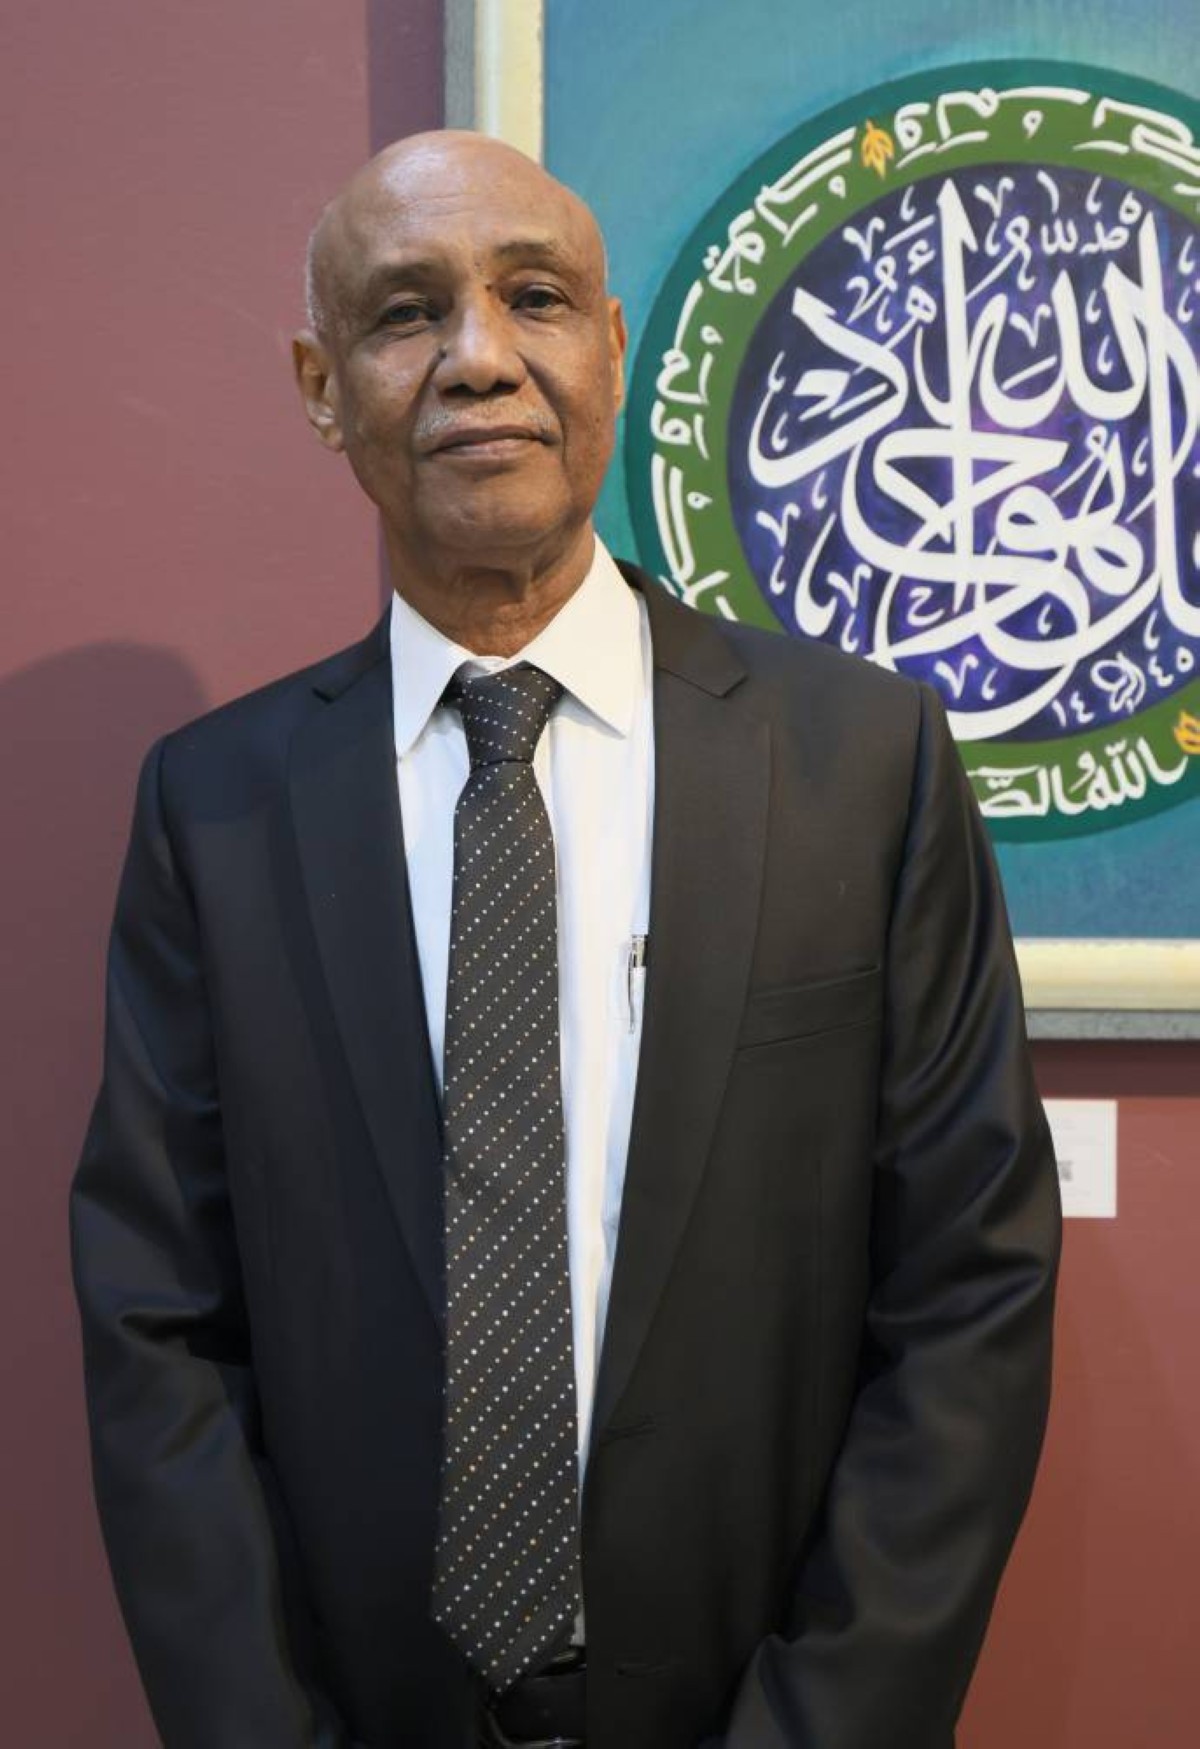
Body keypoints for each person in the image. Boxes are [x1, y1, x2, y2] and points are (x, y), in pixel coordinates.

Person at [71, 130, 1061, 1749]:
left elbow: (972, 1289)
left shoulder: (860, 763)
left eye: (533, 298)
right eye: (407, 313)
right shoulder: (217, 809)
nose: (479, 357)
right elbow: (157, 1324)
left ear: (610, 345)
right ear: (321, 388)